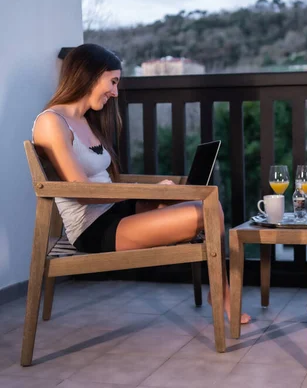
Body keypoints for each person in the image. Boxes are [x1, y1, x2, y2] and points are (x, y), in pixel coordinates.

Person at [31, 43, 250, 324]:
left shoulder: (83, 121)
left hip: (116, 212)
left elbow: (103, 183)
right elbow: (82, 191)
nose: (115, 92)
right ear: (89, 75)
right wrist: (148, 193)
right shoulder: (52, 122)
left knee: (208, 205)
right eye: (112, 82)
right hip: (94, 228)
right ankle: (221, 294)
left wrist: (153, 193)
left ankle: (219, 291)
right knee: (203, 212)